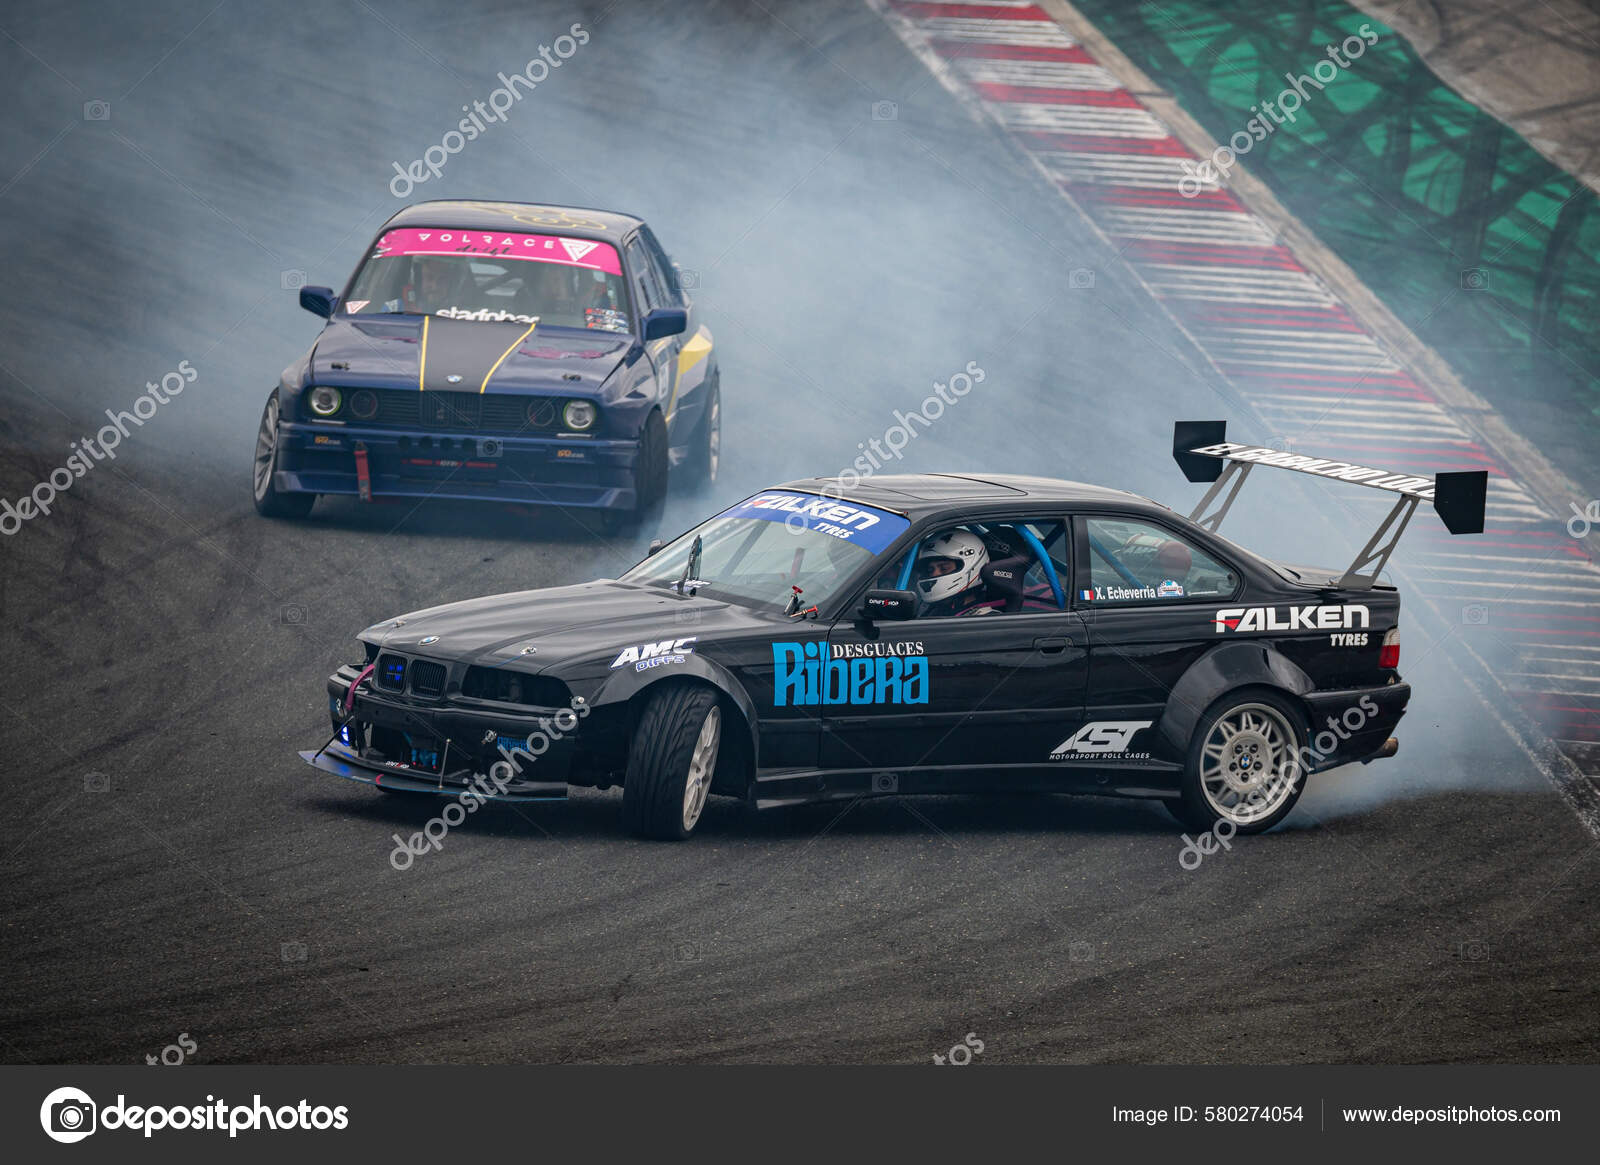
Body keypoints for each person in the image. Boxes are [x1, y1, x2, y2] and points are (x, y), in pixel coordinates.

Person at [913, 529, 993, 616]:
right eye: (930, 570)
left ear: (972, 566)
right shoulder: (933, 611)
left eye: (944, 568)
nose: (934, 574)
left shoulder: (985, 618)